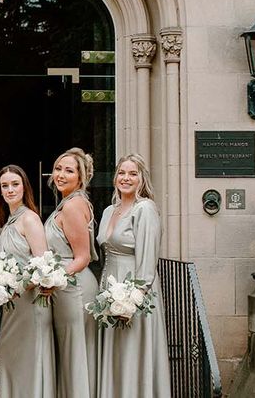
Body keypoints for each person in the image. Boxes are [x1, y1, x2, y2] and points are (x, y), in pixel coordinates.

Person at [96, 154, 171, 398]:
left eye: (133, 173)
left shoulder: (145, 209)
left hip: (135, 292)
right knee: (116, 353)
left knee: (132, 353)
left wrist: (133, 299)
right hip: (109, 289)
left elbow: (148, 261)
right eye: (121, 173)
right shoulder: (109, 211)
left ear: (141, 180)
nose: (126, 178)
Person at [0, 165, 56, 398]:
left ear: (24, 187)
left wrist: (15, 287)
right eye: (4, 186)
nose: (10, 190)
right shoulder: (7, 221)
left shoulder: (29, 219)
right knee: (11, 360)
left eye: (14, 184)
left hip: (29, 304)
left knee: (29, 362)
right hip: (12, 307)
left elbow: (42, 267)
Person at [44, 147, 99, 398]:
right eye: (58, 169)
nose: (61, 174)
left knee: (76, 352)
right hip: (66, 287)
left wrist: (52, 278)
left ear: (81, 177)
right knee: (70, 352)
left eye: (69, 170)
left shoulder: (73, 206)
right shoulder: (67, 203)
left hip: (74, 288)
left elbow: (83, 257)